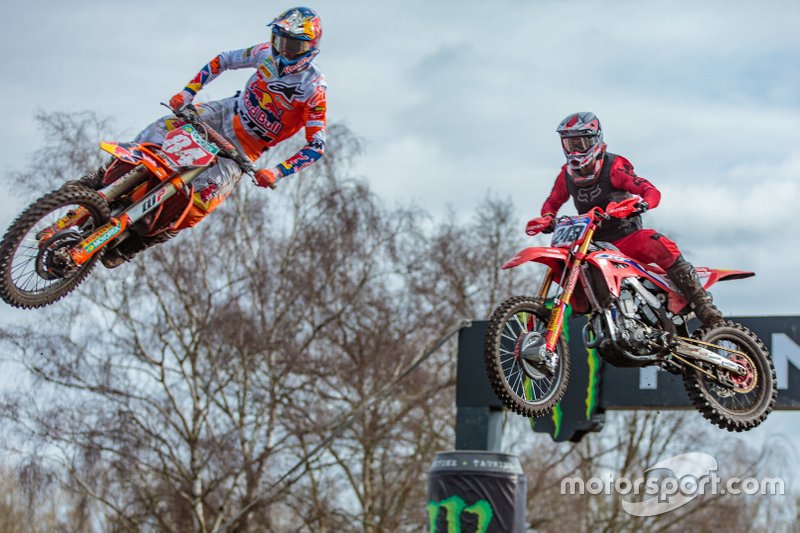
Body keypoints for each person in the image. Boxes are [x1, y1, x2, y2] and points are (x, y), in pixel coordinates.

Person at [102, 6, 327, 268]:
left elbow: (316, 145)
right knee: (162, 129)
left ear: (310, 47)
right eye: (279, 41)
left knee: (199, 203)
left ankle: (136, 243)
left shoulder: (314, 88)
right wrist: (188, 92)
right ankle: (103, 175)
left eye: (293, 46)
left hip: (246, 147)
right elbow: (223, 60)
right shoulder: (264, 53)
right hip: (224, 113)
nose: (283, 51)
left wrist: (277, 172)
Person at [526, 112, 723, 326]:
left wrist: (643, 202)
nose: (575, 150)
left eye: (581, 143)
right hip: (591, 244)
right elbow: (552, 202)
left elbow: (648, 188)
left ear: (594, 140)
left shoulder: (613, 166)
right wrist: (547, 218)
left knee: (657, 242)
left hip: (625, 239)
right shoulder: (567, 174)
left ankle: (702, 304)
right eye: (569, 143)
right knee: (564, 260)